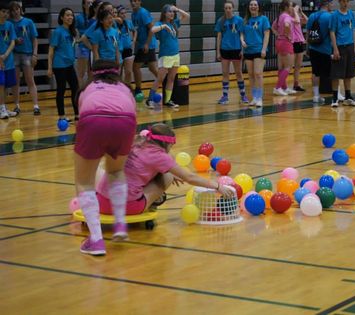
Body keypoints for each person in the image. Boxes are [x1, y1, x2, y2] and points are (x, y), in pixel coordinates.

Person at [96, 123, 235, 217]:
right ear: (167, 144)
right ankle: (153, 201)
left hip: (101, 202)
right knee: (168, 176)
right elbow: (190, 178)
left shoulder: (135, 142)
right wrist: (218, 186)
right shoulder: (159, 155)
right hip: (125, 207)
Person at [75, 59, 137, 256]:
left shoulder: (87, 89)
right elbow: (132, 112)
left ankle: (96, 239)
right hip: (126, 121)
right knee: (116, 171)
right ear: (117, 73)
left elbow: (82, 116)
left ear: (94, 73)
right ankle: (120, 223)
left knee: (84, 182)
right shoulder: (126, 89)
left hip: (93, 118)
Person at [146, 4, 190, 109]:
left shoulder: (174, 23)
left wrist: (178, 9)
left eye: (172, 12)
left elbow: (186, 16)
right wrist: (163, 26)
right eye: (169, 11)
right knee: (160, 78)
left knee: (171, 79)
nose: (172, 13)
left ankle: (167, 100)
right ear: (164, 13)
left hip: (175, 55)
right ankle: (149, 99)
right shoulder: (160, 24)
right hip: (165, 55)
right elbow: (152, 30)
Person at [47, 7, 79, 122]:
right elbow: (51, 50)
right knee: (61, 90)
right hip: (59, 66)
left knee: (75, 88)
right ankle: (61, 116)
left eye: (71, 15)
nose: (70, 17)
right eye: (67, 15)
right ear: (62, 17)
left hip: (70, 65)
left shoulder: (72, 31)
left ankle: (77, 115)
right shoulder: (58, 31)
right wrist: (49, 68)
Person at [214, 0, 249, 105]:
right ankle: (225, 96)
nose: (228, 10)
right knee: (225, 73)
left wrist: (243, 50)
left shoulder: (239, 20)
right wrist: (218, 52)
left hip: (236, 50)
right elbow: (219, 37)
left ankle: (243, 95)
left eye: (230, 8)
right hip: (225, 50)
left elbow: (242, 34)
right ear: (224, 9)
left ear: (233, 8)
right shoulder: (221, 21)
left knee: (238, 73)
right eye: (226, 8)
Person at [9, 1, 39, 115]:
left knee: (30, 80)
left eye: (17, 9)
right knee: (15, 82)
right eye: (13, 10)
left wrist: (35, 54)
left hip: (27, 54)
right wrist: (15, 41)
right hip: (15, 54)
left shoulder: (28, 22)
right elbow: (9, 40)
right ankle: (16, 106)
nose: (15, 12)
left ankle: (36, 106)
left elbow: (34, 39)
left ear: (20, 9)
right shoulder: (9, 23)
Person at [329, 0, 355, 108]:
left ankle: (348, 97)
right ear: (339, 2)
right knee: (336, 74)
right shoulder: (335, 15)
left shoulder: (351, 13)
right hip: (340, 47)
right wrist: (335, 48)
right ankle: (334, 98)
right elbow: (332, 32)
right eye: (343, 1)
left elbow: (353, 30)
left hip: (350, 46)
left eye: (347, 1)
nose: (345, 3)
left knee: (349, 73)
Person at [241, 0, 270, 107]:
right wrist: (242, 40)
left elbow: (267, 34)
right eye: (251, 5)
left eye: (255, 5)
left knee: (258, 73)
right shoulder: (245, 20)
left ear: (258, 7)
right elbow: (242, 34)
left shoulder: (263, 19)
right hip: (248, 50)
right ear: (249, 7)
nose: (253, 6)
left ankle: (259, 98)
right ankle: (254, 97)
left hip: (259, 50)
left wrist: (264, 49)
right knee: (251, 75)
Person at [130, 0, 158, 97]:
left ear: (140, 1)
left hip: (147, 45)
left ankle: (138, 90)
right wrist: (135, 41)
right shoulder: (133, 13)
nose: (133, 3)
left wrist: (146, 44)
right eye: (131, 1)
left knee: (135, 67)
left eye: (135, 1)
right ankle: (167, 82)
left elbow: (152, 28)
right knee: (152, 68)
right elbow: (135, 29)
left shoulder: (143, 13)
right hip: (141, 44)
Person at [307, 0, 333, 104]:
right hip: (325, 49)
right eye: (331, 3)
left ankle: (316, 96)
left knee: (315, 72)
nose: (332, 5)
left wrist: (307, 47)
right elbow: (332, 33)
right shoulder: (330, 16)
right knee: (332, 72)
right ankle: (337, 94)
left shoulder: (312, 16)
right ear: (326, 4)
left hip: (313, 48)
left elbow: (308, 32)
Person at [272, 0, 294, 97]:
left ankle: (284, 87)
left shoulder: (279, 16)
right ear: (286, 7)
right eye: (290, 6)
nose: (292, 8)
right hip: (285, 42)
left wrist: (279, 34)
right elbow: (286, 24)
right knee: (288, 67)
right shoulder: (287, 17)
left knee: (281, 67)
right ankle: (277, 87)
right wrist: (287, 34)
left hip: (279, 41)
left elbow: (273, 27)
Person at [0, 2, 17, 119]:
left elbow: (13, 41)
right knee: (1, 84)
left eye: (7, 12)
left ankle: (4, 107)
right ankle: (1, 108)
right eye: (3, 11)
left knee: (6, 85)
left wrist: (5, 55)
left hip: (8, 60)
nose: (6, 14)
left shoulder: (10, 25)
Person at [75, 0, 94, 87]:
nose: (90, 4)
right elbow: (73, 29)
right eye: (88, 3)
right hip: (83, 47)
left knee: (92, 73)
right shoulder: (79, 17)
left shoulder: (95, 17)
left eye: (92, 3)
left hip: (93, 47)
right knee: (81, 73)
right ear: (83, 5)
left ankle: (88, 94)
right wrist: (77, 39)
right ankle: (80, 94)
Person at [290, 2, 307, 92]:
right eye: (296, 8)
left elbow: (306, 20)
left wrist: (301, 11)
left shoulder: (298, 18)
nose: (297, 10)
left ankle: (296, 84)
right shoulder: (289, 18)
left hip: (299, 43)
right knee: (289, 66)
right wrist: (295, 11)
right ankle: (282, 85)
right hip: (291, 43)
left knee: (298, 66)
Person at [116, 5, 136, 85]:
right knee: (118, 72)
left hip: (128, 50)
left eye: (125, 13)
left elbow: (135, 31)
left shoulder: (128, 22)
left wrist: (133, 40)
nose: (124, 15)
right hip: (119, 51)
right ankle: (118, 89)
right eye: (121, 13)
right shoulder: (114, 24)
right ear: (117, 14)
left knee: (128, 72)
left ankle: (127, 88)